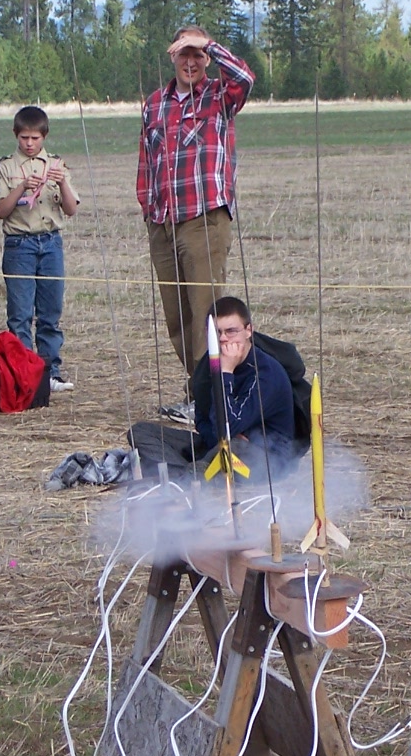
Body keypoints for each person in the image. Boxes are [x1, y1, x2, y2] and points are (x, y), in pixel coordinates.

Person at [139, 25, 254, 393]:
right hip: (163, 223)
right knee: (178, 317)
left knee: (207, 314)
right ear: (172, 56)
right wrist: (148, 209)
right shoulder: (155, 103)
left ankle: (215, 394)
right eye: (183, 53)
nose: (190, 61)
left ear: (207, 58)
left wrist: (209, 44)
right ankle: (199, 389)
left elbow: (245, 77)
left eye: (197, 55)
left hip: (204, 219)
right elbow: (146, 162)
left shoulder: (221, 95)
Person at [127, 296, 298, 476]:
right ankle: (192, 473)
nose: (223, 338)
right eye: (217, 332)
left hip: (263, 459)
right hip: (216, 446)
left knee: (233, 445)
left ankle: (191, 474)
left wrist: (225, 372)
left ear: (248, 331)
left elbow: (228, 428)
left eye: (231, 331)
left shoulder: (266, 373)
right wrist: (214, 441)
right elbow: (202, 418)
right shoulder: (208, 363)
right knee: (140, 432)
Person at [0, 106, 80, 392]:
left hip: (51, 243)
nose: (29, 144)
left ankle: (50, 371)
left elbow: (70, 210)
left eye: (34, 138)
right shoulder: (6, 167)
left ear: (44, 136)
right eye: (24, 138)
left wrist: (62, 182)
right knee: (19, 313)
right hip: (20, 245)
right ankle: (23, 372)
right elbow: (1, 211)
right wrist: (20, 189)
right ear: (16, 136)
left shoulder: (56, 164)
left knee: (50, 312)